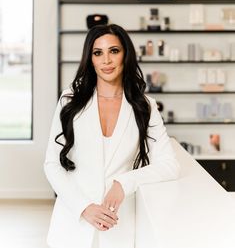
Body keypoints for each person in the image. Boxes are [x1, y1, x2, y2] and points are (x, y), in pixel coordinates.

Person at [44, 24, 180, 248]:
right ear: (91, 59)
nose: (106, 60)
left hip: (119, 227)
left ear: (126, 55)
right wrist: (84, 208)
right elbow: (51, 164)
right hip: (72, 225)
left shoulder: (144, 106)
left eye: (114, 51)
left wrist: (124, 183)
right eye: (98, 53)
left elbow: (169, 165)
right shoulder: (70, 100)